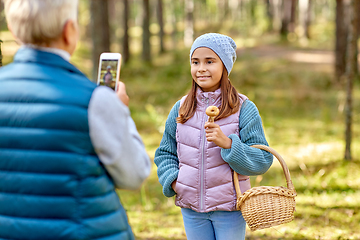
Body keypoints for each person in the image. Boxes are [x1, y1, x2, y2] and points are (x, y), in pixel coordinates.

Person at [0, 0, 150, 239]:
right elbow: (135, 174)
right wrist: (120, 111)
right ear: (69, 31)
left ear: (13, 29)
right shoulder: (95, 100)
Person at [154, 33, 273, 240]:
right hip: (192, 210)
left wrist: (228, 144)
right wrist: (175, 181)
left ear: (225, 66)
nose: (201, 68)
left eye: (210, 61)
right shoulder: (181, 108)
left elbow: (262, 160)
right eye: (195, 62)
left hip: (229, 209)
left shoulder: (243, 108)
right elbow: (165, 152)